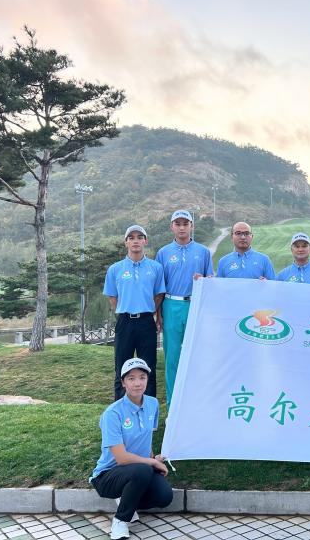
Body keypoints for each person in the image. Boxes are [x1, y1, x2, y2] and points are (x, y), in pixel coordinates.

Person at [90, 358, 173, 540]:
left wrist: (153, 458)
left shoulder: (152, 404)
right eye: (131, 378)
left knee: (164, 496)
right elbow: (121, 458)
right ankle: (120, 520)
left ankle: (127, 498)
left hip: (138, 469)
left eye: (142, 377)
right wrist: (151, 463)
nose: (137, 383)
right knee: (143, 470)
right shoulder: (112, 413)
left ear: (147, 379)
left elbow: (145, 438)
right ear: (123, 383)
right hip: (108, 476)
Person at [155, 210, 213, 409]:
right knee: (172, 357)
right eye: (178, 224)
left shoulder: (203, 252)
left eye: (185, 223)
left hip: (195, 306)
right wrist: (159, 314)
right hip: (171, 305)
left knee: (197, 355)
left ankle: (196, 404)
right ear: (172, 226)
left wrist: (203, 280)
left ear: (191, 226)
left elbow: (210, 282)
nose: (182, 227)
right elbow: (159, 287)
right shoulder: (163, 253)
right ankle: (173, 405)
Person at [104, 225, 165, 400]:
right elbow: (112, 297)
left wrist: (150, 311)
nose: (135, 241)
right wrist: (125, 310)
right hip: (125, 322)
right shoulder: (115, 269)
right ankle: (122, 409)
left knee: (149, 367)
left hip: (146, 321)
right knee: (121, 368)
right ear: (126, 243)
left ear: (145, 241)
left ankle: (148, 411)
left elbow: (159, 294)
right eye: (131, 238)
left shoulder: (155, 267)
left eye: (139, 237)